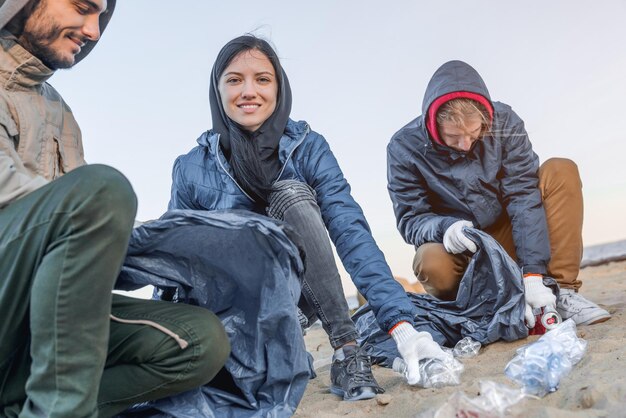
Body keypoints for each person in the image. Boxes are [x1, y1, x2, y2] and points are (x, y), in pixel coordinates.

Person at [169, 35, 451, 400]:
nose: (249, 91)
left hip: (297, 293)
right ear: (218, 89)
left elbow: (350, 231)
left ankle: (347, 349)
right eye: (234, 79)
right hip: (233, 304)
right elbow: (175, 253)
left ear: (279, 86)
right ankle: (270, 346)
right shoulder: (191, 167)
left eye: (263, 79)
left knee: (291, 193)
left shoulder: (308, 147)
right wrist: (172, 331)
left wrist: (403, 327)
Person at [0, 1, 229, 416]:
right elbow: (54, 204)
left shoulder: (57, 109)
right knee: (103, 190)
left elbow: (81, 231)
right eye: (83, 8)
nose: (94, 31)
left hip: (42, 326)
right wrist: (107, 213)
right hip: (7, 301)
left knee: (200, 341)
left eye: (101, 17)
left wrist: (183, 243)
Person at [387, 60, 611, 329]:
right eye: (454, 137)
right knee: (429, 261)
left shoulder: (505, 122)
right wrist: (446, 228)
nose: (465, 144)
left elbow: (523, 194)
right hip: (465, 248)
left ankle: (561, 291)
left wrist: (532, 274)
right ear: (435, 124)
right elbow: (411, 218)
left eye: (473, 133)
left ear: (485, 118)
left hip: (509, 232)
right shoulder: (403, 148)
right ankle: (483, 305)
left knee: (560, 170)